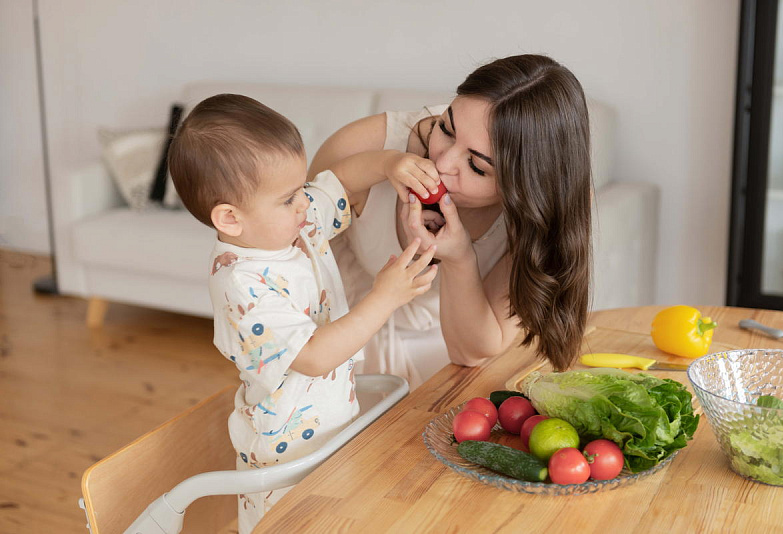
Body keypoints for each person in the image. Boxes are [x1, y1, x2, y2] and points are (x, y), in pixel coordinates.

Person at [168, 94, 437, 533]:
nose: (304, 202)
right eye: (289, 197)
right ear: (230, 219)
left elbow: (341, 181)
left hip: (334, 428)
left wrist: (390, 162)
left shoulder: (293, 226)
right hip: (284, 452)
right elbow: (312, 355)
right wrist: (385, 297)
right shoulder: (241, 283)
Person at [309, 54, 592, 390]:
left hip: (450, 363)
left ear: (526, 186)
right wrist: (381, 164)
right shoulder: (364, 147)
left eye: (476, 166)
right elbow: (285, 249)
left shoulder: (544, 209)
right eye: (445, 128)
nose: (442, 163)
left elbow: (471, 351)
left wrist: (459, 256)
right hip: (335, 341)